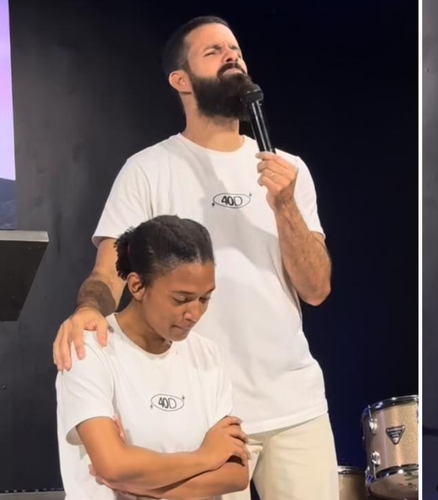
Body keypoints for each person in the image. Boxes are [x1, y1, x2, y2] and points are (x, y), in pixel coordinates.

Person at [52, 16, 337, 500]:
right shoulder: (147, 170)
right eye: (213, 51)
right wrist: (86, 311)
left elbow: (316, 288)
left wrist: (285, 205)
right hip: (201, 412)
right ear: (180, 80)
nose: (232, 56)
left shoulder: (290, 172)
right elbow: (110, 272)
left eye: (235, 49)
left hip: (294, 405)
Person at [56, 215, 250, 499]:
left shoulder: (207, 355)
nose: (194, 314)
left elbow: (235, 473)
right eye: (181, 299)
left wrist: (141, 487)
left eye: (205, 298)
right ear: (136, 286)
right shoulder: (90, 350)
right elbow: (113, 466)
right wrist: (205, 457)